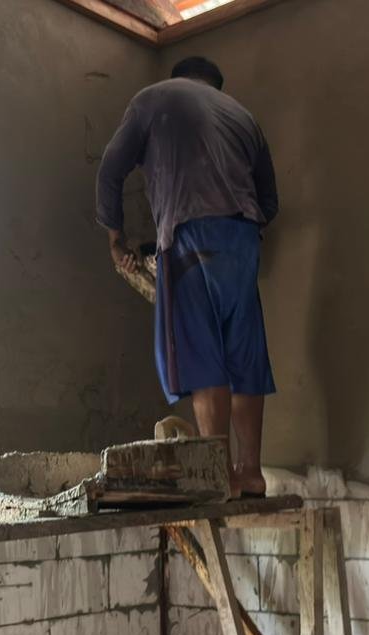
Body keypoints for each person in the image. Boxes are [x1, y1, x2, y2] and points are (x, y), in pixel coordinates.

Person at [96, 56, 279, 498]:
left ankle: (221, 477)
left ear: (177, 78)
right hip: (243, 238)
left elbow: (110, 171)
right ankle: (251, 473)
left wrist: (117, 239)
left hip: (188, 235)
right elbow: (269, 203)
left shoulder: (153, 98)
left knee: (203, 355)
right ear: (216, 86)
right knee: (243, 354)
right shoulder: (243, 116)